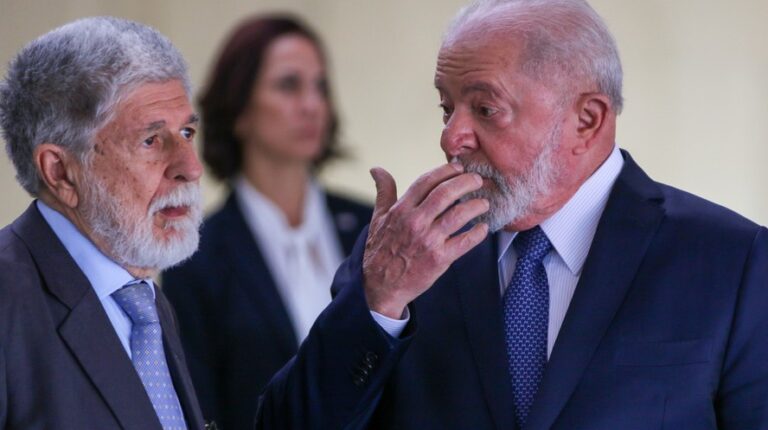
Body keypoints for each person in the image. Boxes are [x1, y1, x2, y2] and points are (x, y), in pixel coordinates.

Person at [254, 0, 768, 428]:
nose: (451, 137)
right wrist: (380, 301)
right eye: (446, 108)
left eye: (485, 108)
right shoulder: (400, 251)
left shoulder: (735, 260)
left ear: (587, 120)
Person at [161, 15, 372, 429]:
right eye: (289, 85)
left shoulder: (371, 227)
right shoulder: (195, 256)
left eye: (320, 86)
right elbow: (200, 409)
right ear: (238, 108)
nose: (312, 104)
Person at [0, 17, 210, 429]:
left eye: (186, 132)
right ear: (60, 171)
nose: (191, 167)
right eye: (151, 140)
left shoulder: (142, 300)